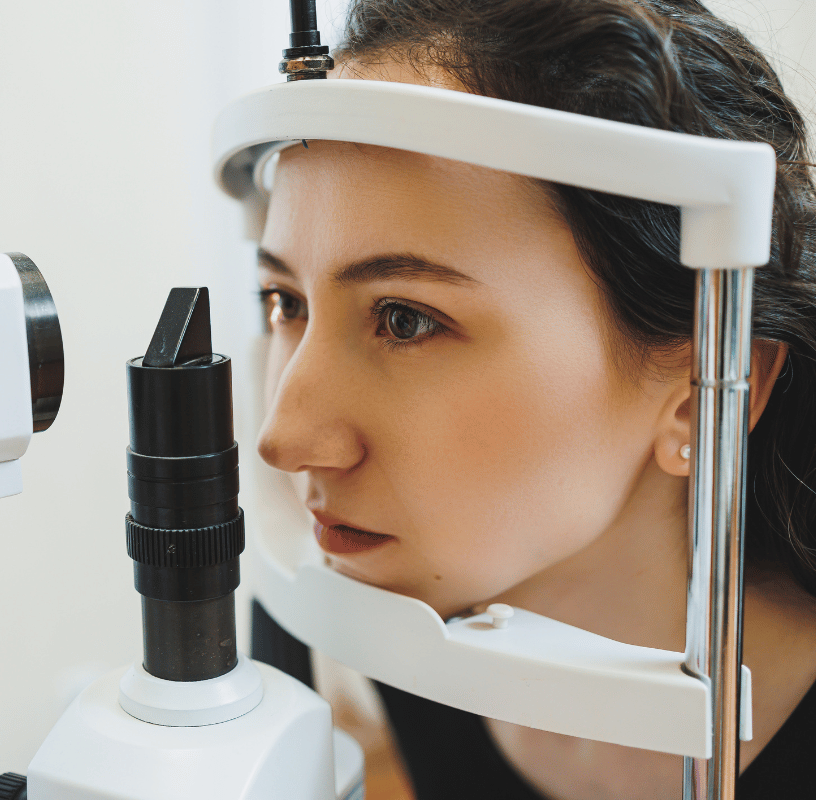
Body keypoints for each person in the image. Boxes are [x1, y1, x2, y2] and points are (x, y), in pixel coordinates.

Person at [249, 1, 816, 798]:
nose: (284, 436)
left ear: (698, 392)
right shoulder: (392, 620)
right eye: (286, 302)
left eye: (404, 319)